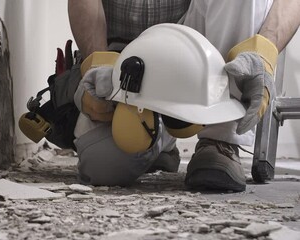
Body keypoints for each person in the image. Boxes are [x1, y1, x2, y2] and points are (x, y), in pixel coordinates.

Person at [67, 0, 300, 192]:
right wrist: (96, 62)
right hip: (123, 66)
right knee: (103, 165)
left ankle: (219, 140)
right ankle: (160, 137)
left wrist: (264, 51)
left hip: (193, 50)